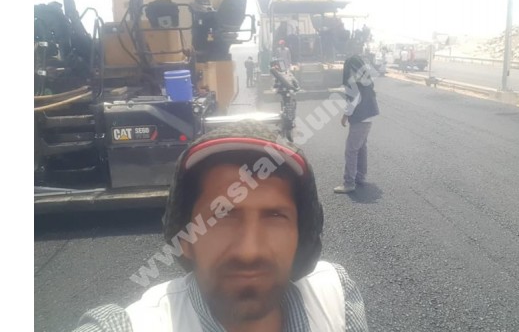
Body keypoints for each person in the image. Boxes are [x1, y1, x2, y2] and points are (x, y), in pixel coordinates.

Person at [73, 120, 369, 332]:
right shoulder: (129, 325)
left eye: (275, 217)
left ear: (300, 237)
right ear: (184, 238)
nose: (249, 251)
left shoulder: (336, 296)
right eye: (220, 216)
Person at [334, 55, 380, 194]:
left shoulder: (354, 81)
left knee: (351, 150)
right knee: (361, 148)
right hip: (368, 117)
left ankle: (349, 183)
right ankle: (360, 176)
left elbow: (354, 99)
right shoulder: (365, 80)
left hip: (360, 118)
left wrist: (345, 115)